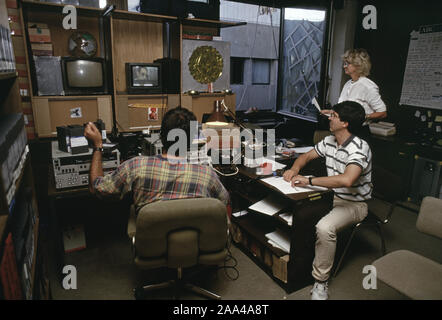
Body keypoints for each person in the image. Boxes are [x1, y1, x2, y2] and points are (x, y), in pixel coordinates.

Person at [283, 100, 372, 300]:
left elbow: (347, 180)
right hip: (331, 196)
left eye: (333, 116)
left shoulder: (359, 148)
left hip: (354, 204)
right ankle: (298, 269)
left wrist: (309, 180)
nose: (328, 118)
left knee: (324, 227)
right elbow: (305, 156)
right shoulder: (330, 140)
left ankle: (320, 282)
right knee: (298, 213)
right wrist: (294, 169)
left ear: (345, 123)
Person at [84, 106, 230, 214]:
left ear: (161, 136)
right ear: (192, 140)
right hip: (192, 249)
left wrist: (98, 146)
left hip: (150, 250)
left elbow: (97, 189)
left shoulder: (136, 166)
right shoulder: (207, 174)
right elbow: (224, 202)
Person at [321, 48, 387, 139]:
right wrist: (331, 112)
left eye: (347, 63)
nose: (344, 66)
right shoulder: (348, 84)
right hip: (343, 131)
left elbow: (383, 113)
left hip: (359, 132)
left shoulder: (368, 86)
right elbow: (345, 110)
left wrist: (362, 116)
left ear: (358, 65)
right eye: (344, 63)